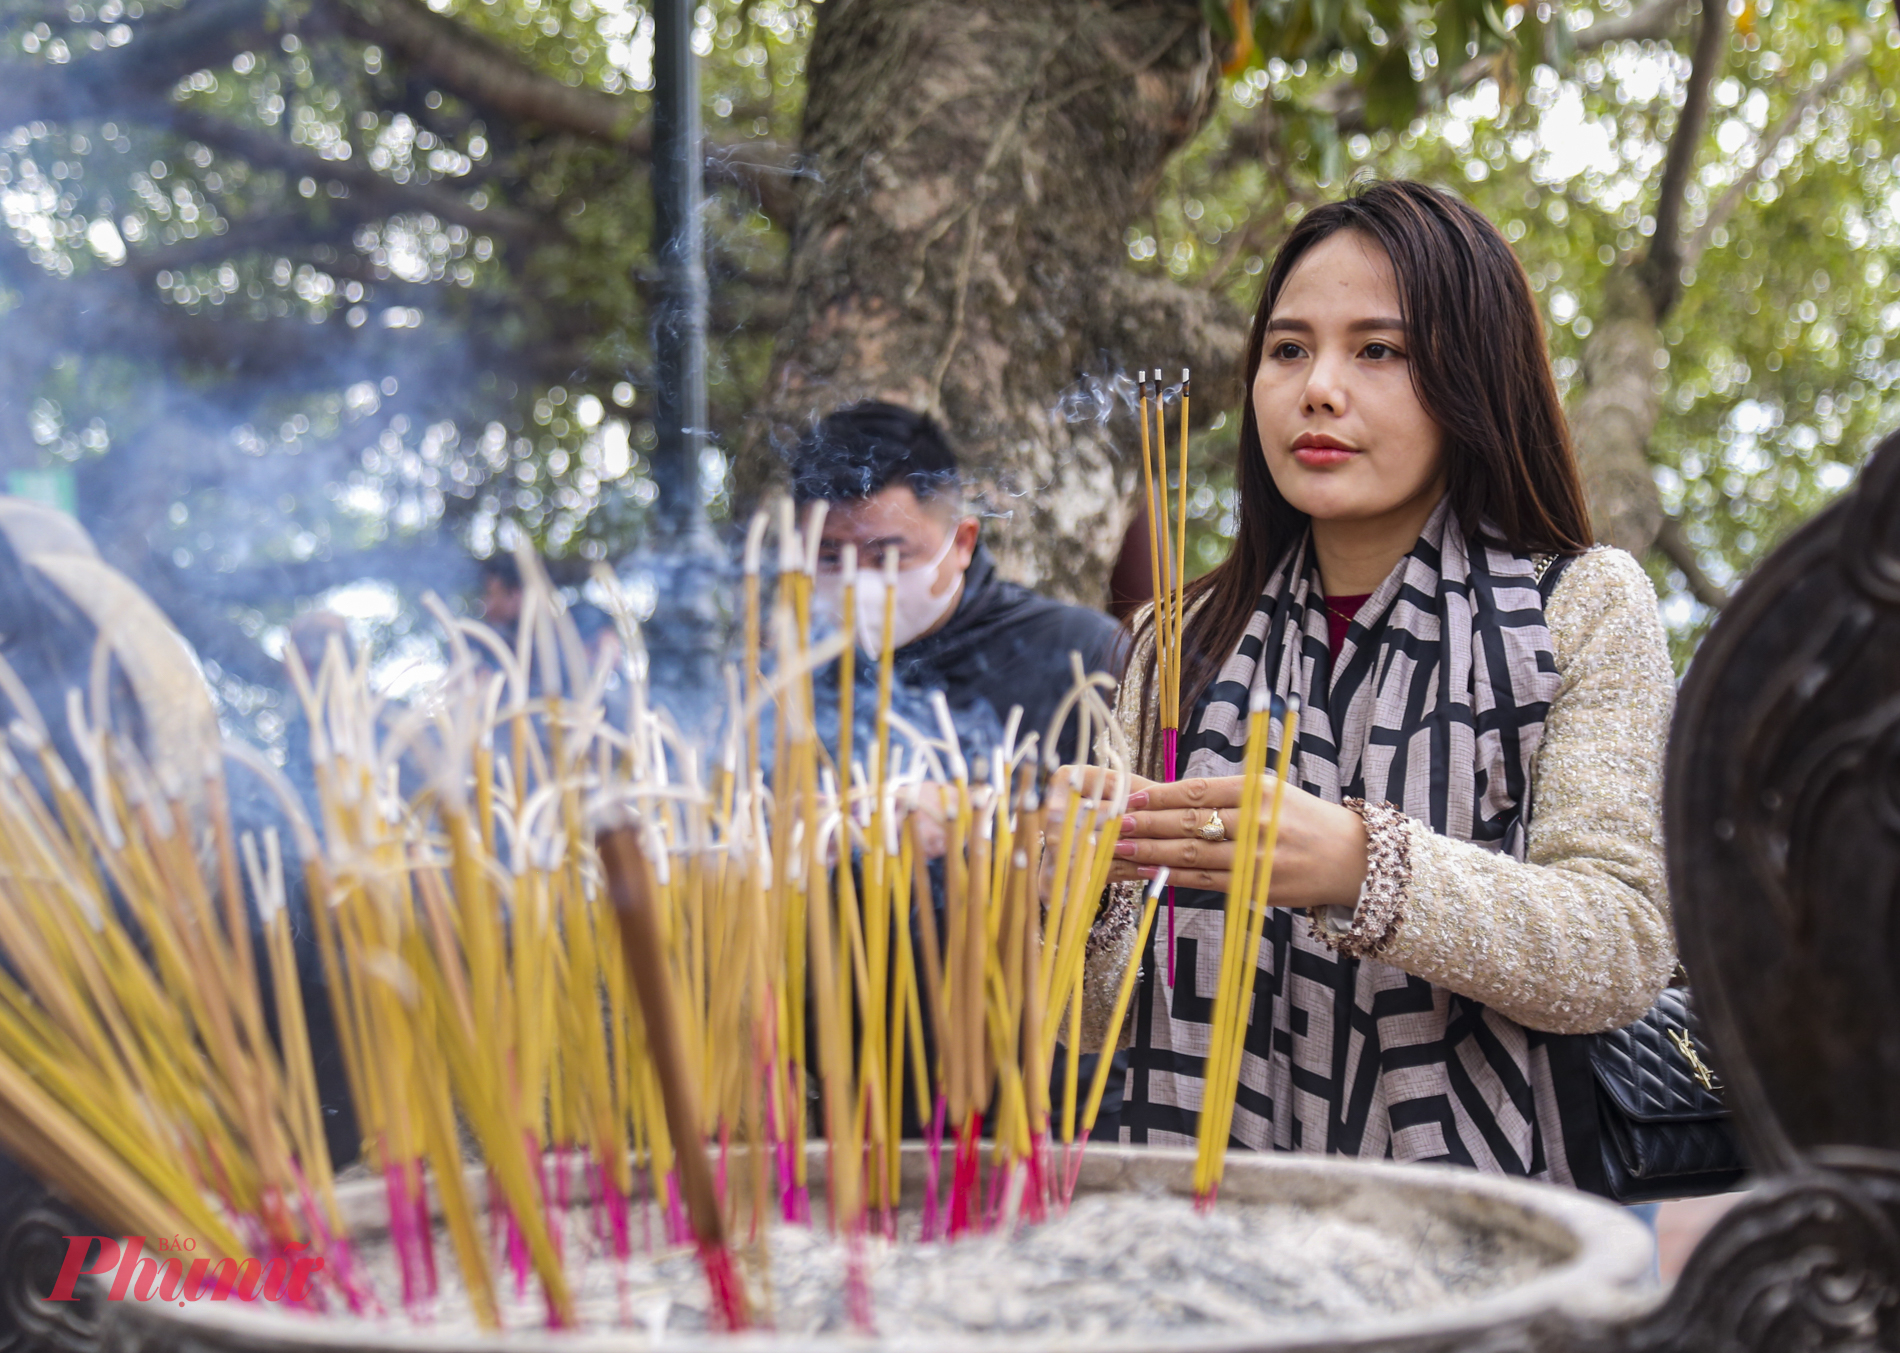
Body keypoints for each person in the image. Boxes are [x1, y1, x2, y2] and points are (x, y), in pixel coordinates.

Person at [1080, 180, 1675, 1182]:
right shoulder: (1169, 642)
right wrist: (1073, 886)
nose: (1318, 387)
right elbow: (1091, 1028)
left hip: (1480, 1231)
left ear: (1472, 375)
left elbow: (1619, 948)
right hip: (1190, 1228)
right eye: (1287, 349)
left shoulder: (1581, 605)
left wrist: (1368, 868)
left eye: (1377, 350)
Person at [793, 401, 1119, 765]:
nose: (855, 583)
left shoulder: (1084, 653)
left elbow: (1181, 815)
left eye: (887, 556)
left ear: (962, 542)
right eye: (830, 558)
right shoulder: (787, 674)